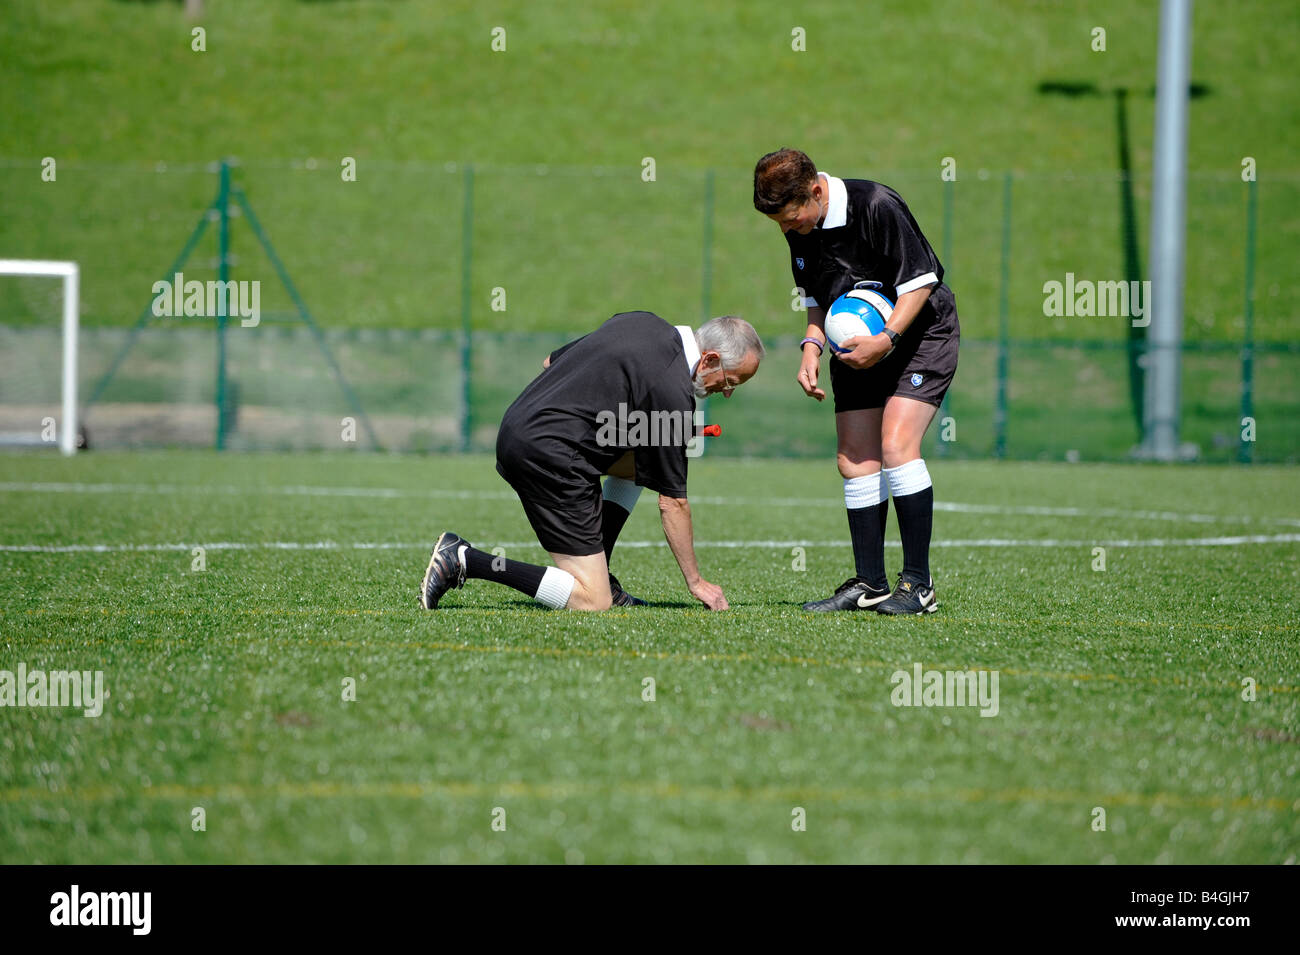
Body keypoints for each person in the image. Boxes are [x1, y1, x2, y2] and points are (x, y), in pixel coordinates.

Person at [420, 311, 764, 613]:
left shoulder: (641, 321)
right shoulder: (673, 392)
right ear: (709, 359)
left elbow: (550, 362)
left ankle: (604, 570)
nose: (728, 392)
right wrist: (696, 582)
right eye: (730, 381)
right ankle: (464, 559)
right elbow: (673, 502)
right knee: (592, 601)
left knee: (643, 457)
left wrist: (651, 432)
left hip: (520, 425)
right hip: (548, 454)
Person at [752, 148, 959, 615]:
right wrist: (811, 347)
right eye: (780, 224)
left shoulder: (876, 205)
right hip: (856, 344)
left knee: (896, 445)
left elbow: (921, 282)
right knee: (854, 457)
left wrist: (886, 339)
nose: (788, 230)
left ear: (817, 190)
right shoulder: (800, 227)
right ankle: (869, 582)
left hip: (920, 333)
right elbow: (817, 298)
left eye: (791, 217)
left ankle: (918, 586)